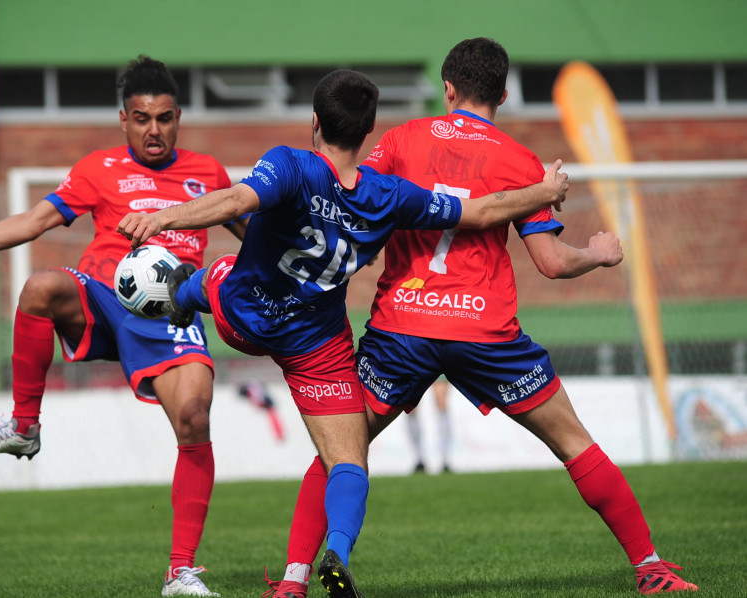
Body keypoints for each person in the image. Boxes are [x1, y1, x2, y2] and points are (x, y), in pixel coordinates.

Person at [264, 38, 698, 597]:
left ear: (447, 88)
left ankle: (294, 583)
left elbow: (355, 197)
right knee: (575, 444)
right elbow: (551, 262)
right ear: (504, 94)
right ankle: (651, 568)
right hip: (485, 331)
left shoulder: (399, 140)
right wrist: (601, 253)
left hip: (403, 328)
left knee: (339, 452)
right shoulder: (521, 162)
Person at [116, 68, 568, 598]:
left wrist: (166, 216)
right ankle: (337, 550)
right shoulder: (391, 194)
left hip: (246, 319)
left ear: (313, 121)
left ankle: (175, 303)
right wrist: (544, 188)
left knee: (215, 277)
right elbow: (481, 211)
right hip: (317, 344)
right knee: (348, 462)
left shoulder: (290, 164)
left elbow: (236, 201)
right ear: (370, 128)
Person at [0, 56, 243, 597]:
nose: (152, 130)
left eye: (163, 118)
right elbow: (36, 221)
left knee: (194, 418)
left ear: (178, 117)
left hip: (169, 311)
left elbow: (254, 231)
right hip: (102, 297)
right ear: (123, 119)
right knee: (40, 287)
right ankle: (23, 426)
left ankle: (180, 571)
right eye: (140, 118)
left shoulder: (208, 172)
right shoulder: (98, 169)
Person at [405, 378, 451, 474]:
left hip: (439, 363)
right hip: (415, 363)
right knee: (410, 406)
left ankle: (445, 459)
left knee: (441, 401)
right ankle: (419, 458)